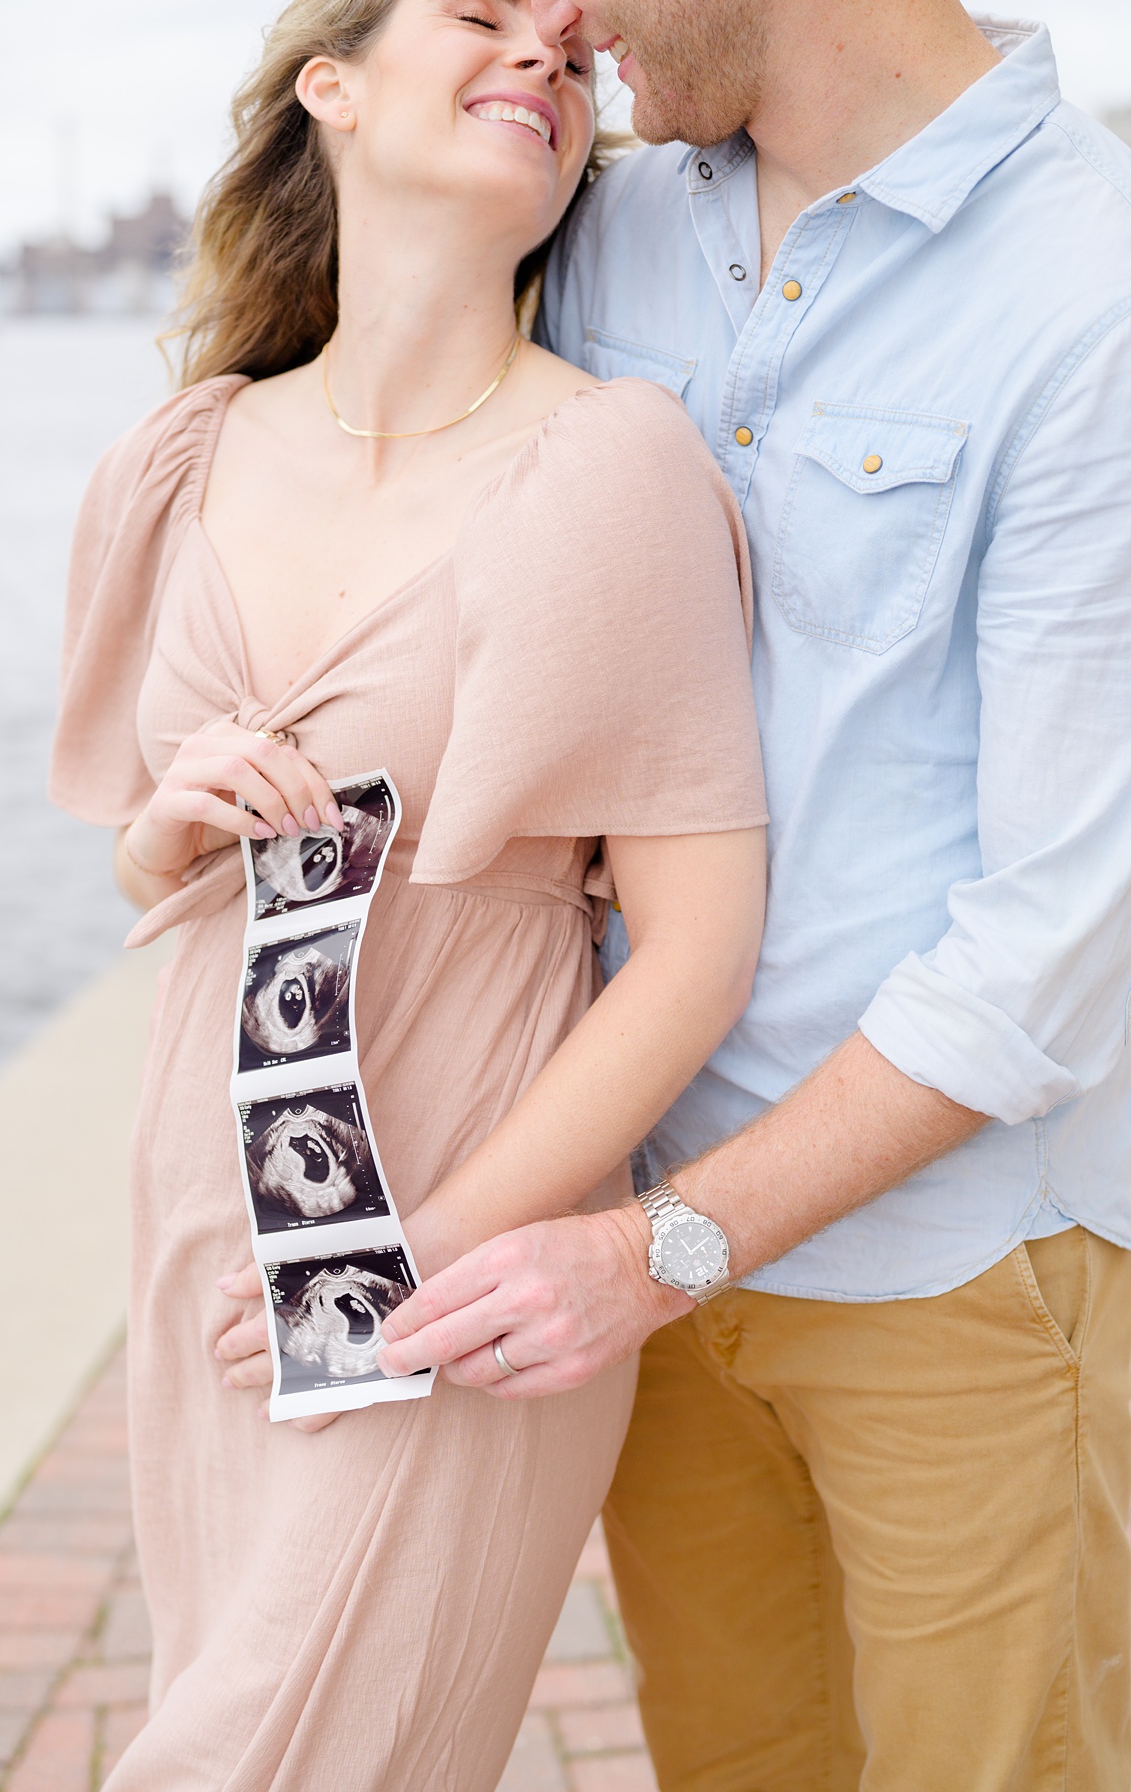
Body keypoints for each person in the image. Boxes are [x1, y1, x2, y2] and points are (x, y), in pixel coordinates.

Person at [353, 4, 1131, 1785]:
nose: (566, 21)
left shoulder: (1092, 293)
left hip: (962, 1283)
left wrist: (656, 1252)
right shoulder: (607, 218)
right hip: (637, 1262)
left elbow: (1056, 950)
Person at [49, 0, 773, 1782]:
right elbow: (141, 855)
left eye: (571, 45)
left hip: (457, 1214)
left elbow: (695, 952)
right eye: (481, 15)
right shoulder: (184, 458)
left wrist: (417, 1256)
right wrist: (171, 826)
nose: (545, 49)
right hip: (209, 1208)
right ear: (334, 83)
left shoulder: (610, 464)